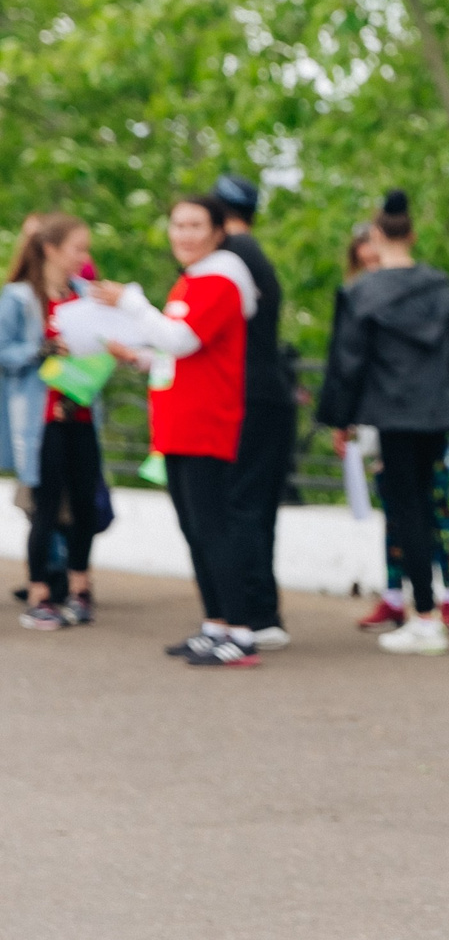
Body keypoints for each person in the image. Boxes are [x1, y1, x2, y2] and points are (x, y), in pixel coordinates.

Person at [315, 191, 449, 658]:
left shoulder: (362, 292)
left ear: (378, 235)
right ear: (414, 234)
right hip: (437, 412)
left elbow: (346, 363)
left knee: (405, 511)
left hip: (393, 414)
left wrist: (339, 420)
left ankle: (423, 617)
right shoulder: (441, 286)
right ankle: (428, 610)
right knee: (427, 508)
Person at [115, 196, 261, 667]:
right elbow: (176, 351)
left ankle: (240, 630)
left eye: (195, 225)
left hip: (206, 422)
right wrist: (139, 356)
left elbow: (182, 338)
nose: (184, 234)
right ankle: (215, 622)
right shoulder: (192, 280)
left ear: (218, 231)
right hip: (179, 423)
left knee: (213, 527)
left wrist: (131, 303)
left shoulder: (221, 280)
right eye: (178, 225)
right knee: (194, 527)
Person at [6, 214, 104, 629]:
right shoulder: (19, 298)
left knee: (84, 503)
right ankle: (40, 593)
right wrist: (39, 349)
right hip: (40, 417)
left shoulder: (84, 294)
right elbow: (4, 352)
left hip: (81, 411)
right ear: (51, 249)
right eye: (77, 248)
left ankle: (80, 588)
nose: (84, 257)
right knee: (45, 506)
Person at [210, 172, 295, 651]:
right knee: (257, 508)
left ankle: (254, 611)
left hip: (247, 398)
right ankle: (264, 611)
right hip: (270, 395)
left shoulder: (230, 260)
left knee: (239, 505)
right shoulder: (253, 255)